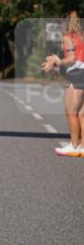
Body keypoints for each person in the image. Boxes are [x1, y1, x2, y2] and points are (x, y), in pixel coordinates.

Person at [42, 11, 84, 157]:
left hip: (77, 75)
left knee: (71, 112)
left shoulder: (67, 37)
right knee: (81, 114)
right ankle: (82, 147)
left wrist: (58, 61)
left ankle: (73, 145)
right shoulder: (81, 37)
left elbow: (72, 58)